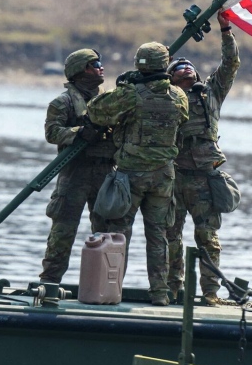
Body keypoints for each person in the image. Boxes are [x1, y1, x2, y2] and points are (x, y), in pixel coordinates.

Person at [87, 42, 189, 306]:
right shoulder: (179, 96)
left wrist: (123, 86)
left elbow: (96, 111)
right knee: (158, 236)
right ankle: (160, 294)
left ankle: (112, 291)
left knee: (120, 235)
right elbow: (183, 120)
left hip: (130, 176)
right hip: (163, 177)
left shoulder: (130, 94)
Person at [165, 11, 240, 306]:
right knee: (171, 237)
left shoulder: (210, 94)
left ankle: (210, 292)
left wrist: (225, 31)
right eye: (178, 70)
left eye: (189, 70)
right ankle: (172, 290)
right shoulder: (163, 98)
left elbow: (231, 64)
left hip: (205, 176)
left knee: (207, 237)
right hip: (172, 175)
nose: (186, 72)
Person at [39, 49, 117, 284]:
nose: (101, 67)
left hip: (105, 172)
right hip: (75, 172)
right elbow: (52, 133)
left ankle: (104, 285)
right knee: (63, 231)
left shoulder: (110, 100)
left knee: (106, 232)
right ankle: (50, 283)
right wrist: (79, 132)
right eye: (95, 64)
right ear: (80, 70)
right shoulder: (62, 102)